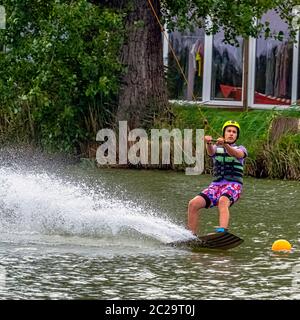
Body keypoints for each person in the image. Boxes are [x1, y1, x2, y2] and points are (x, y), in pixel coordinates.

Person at [187, 120, 247, 235]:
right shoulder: (216, 148)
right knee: (193, 204)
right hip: (216, 186)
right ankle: (191, 235)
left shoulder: (241, 149)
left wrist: (225, 144)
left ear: (236, 136)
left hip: (233, 185)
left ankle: (222, 231)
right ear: (223, 133)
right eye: (228, 131)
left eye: (234, 132)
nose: (231, 133)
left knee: (223, 200)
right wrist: (208, 143)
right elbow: (210, 153)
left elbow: (236, 154)